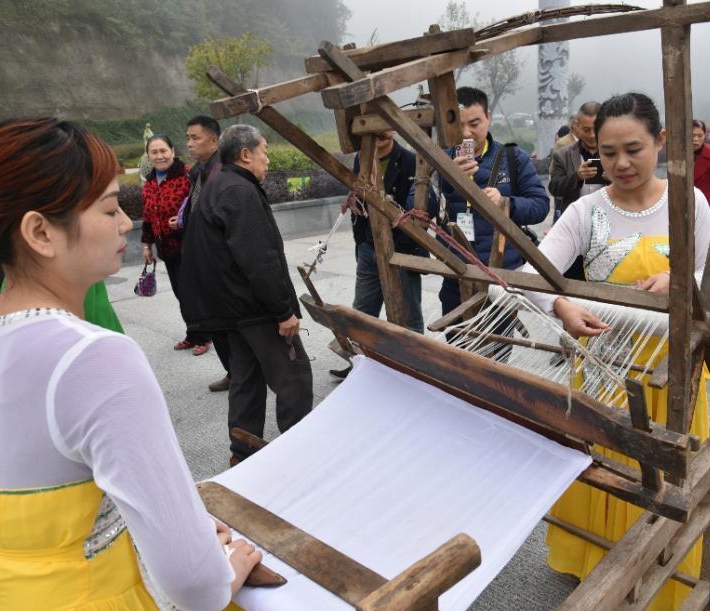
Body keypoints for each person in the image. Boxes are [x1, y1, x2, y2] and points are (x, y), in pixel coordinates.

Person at [0, 117, 260, 611]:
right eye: (107, 208)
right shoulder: (95, 357)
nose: (126, 221)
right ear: (40, 231)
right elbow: (193, 580)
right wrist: (224, 572)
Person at [522, 92, 710, 611]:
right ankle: (596, 563)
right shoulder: (585, 211)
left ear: (661, 142)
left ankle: (663, 565)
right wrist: (564, 306)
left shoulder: (689, 205)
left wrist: (680, 279)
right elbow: (530, 277)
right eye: (608, 151)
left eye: (633, 149)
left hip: (671, 369)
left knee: (666, 470)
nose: (620, 164)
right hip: (605, 367)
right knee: (608, 465)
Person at [180, 124, 313, 465]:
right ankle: (300, 455)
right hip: (255, 308)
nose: (267, 159)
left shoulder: (216, 185)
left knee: (246, 380)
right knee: (295, 377)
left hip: (232, 310)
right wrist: (284, 311)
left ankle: (243, 454)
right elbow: (259, 259)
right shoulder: (239, 191)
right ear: (245, 154)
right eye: (264, 150)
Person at [410, 86, 550, 316]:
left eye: (474, 124)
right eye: (459, 125)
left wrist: (506, 203)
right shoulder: (438, 159)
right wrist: (446, 177)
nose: (466, 133)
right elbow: (416, 210)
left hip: (502, 274)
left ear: (488, 118)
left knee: (499, 346)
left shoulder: (513, 159)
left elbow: (540, 205)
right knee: (457, 343)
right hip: (457, 270)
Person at [330, 131, 425, 380]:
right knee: (362, 311)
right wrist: (362, 242)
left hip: (403, 250)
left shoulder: (411, 160)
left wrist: (401, 243)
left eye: (384, 128)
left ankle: (416, 369)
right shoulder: (362, 159)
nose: (379, 135)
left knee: (408, 316)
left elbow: (421, 209)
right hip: (369, 249)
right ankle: (358, 363)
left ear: (393, 129)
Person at [140, 134, 212, 355]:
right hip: (166, 249)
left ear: (172, 151)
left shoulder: (188, 175)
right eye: (155, 152)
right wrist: (146, 245)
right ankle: (193, 334)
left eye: (163, 151)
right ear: (149, 155)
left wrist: (183, 222)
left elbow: (201, 207)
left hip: (189, 246)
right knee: (181, 294)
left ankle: (205, 336)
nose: (160, 156)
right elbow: (147, 217)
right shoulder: (150, 182)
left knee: (193, 294)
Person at [179, 115, 231, 392]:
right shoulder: (200, 171)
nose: (189, 143)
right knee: (215, 322)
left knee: (225, 324)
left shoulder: (222, 172)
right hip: (202, 261)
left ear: (214, 139)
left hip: (218, 263)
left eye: (195, 137)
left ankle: (242, 374)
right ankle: (234, 372)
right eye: (187, 138)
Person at [549, 101, 607, 219]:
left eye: (596, 129)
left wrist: (613, 180)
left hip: (610, 221)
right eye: (586, 130)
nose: (591, 135)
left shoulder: (616, 154)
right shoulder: (562, 155)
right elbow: (554, 188)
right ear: (577, 126)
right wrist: (576, 177)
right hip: (574, 222)